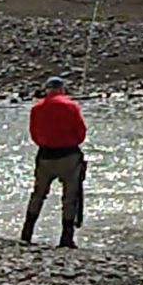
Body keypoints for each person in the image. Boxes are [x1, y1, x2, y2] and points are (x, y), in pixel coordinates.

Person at [21, 76, 87, 249]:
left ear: (47, 90)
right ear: (62, 89)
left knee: (38, 194)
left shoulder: (36, 108)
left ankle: (26, 233)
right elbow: (81, 134)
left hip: (45, 156)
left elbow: (34, 134)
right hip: (69, 156)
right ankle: (66, 238)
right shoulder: (71, 106)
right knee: (70, 197)